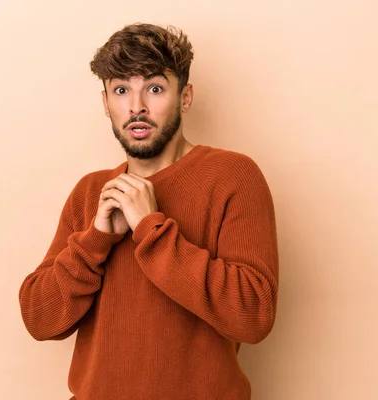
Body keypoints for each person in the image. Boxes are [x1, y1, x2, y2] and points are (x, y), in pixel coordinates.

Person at [18, 22, 279, 400]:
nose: (137, 106)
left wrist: (151, 230)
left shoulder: (233, 176)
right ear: (105, 103)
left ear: (185, 98)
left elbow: (253, 314)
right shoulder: (91, 192)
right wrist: (96, 241)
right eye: (121, 90)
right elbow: (40, 320)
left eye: (154, 89)